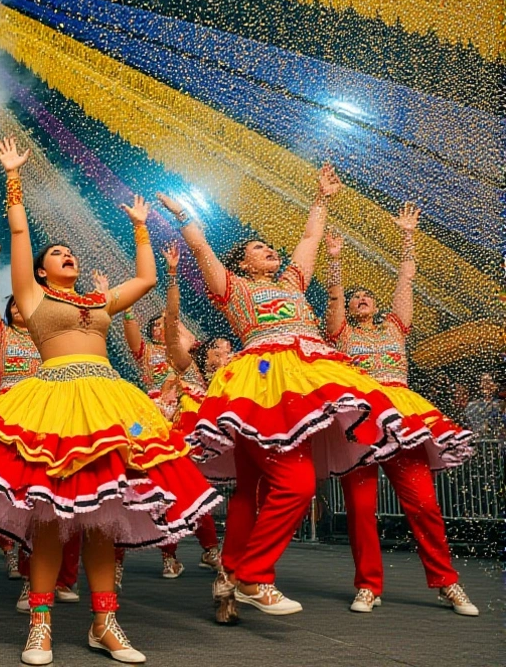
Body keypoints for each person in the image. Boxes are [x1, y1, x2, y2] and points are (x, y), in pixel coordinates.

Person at [0, 137, 221, 665]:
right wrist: (13, 178)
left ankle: (105, 622)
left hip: (107, 400)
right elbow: (21, 232)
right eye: (57, 254)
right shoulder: (32, 297)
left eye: (69, 252)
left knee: (103, 516)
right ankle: (41, 624)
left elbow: (144, 278)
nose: (66, 256)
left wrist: (141, 227)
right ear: (43, 271)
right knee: (50, 518)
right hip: (52, 400)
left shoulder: (98, 300)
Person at [158, 165, 404, 624]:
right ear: (243, 265)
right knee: (296, 483)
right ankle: (254, 574)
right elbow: (201, 248)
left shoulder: (292, 283)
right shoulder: (233, 289)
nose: (269, 250)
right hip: (264, 380)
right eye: (257, 248)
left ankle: (229, 577)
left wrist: (321, 199)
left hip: (305, 381)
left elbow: (309, 243)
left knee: (252, 490)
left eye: (269, 246)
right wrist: (185, 214)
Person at [322, 209, 478, 616]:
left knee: (423, 504)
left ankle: (447, 582)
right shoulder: (341, 333)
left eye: (366, 294)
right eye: (355, 297)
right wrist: (334, 259)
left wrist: (408, 237)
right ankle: (368, 585)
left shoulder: (396, 326)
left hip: (403, 418)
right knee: (359, 508)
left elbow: (405, 278)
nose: (361, 298)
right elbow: (335, 297)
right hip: (359, 423)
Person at [0, 237, 83, 610]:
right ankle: (30, 581)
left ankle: (65, 578)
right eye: (13, 305)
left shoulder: (48, 333)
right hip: (17, 420)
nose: (19, 308)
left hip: (56, 412)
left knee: (70, 495)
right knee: (32, 503)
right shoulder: (1, 338)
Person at [138, 245, 223, 578]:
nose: (169, 328)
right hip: (157, 423)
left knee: (194, 489)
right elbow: (170, 318)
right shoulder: (167, 356)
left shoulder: (198, 362)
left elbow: (176, 322)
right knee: (169, 489)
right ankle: (168, 555)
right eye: (160, 326)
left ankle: (211, 550)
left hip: (195, 423)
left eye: (174, 327)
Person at [463, 373, 503, 439]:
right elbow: (468, 425)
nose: (485, 385)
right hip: (477, 441)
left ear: (495, 385)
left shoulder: (500, 404)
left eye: (488, 382)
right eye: (483, 382)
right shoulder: (472, 406)